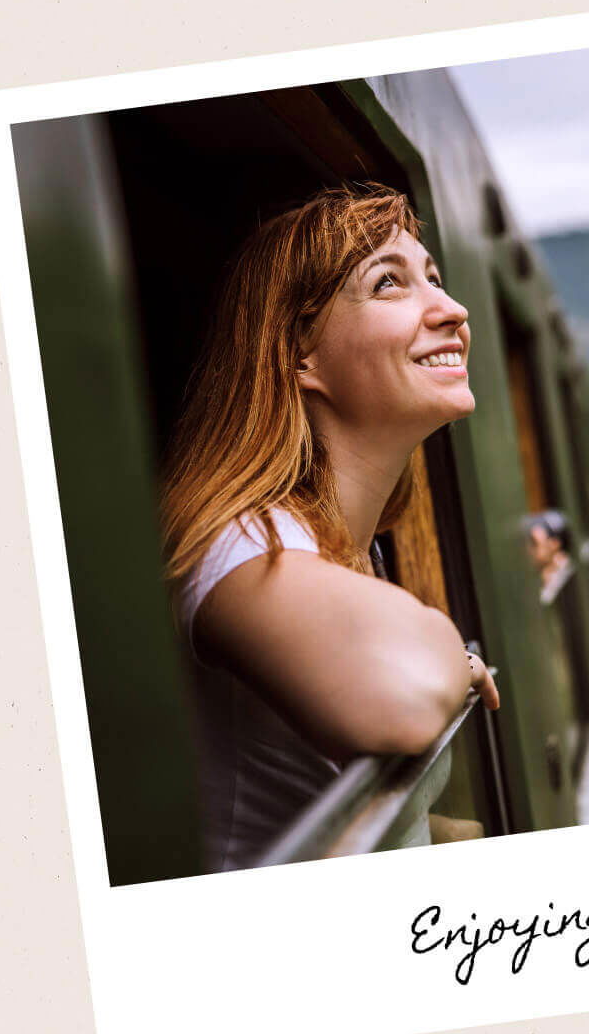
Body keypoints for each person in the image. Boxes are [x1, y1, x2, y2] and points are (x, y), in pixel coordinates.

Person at [158, 184, 499, 872]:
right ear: (299, 354)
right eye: (390, 284)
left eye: (434, 277)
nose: (453, 309)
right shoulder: (245, 544)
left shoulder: (346, 548)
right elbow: (401, 695)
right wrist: (449, 648)